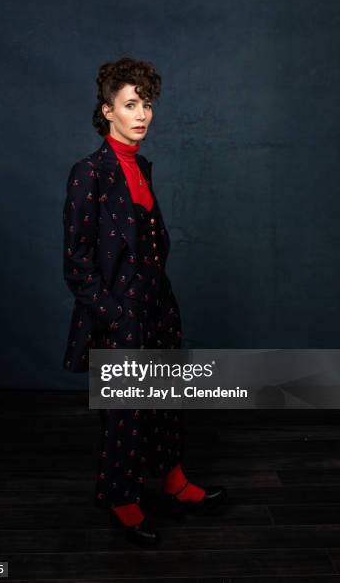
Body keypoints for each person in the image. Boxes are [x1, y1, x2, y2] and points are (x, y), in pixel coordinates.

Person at [62, 57, 226, 547]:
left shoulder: (142, 165)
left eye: (147, 104)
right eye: (130, 104)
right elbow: (77, 264)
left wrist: (157, 302)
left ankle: (174, 482)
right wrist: (114, 313)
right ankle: (121, 499)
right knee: (127, 409)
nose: (142, 114)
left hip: (158, 303)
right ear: (107, 111)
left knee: (167, 399)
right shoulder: (88, 173)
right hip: (120, 312)